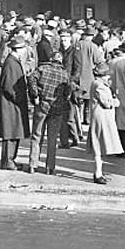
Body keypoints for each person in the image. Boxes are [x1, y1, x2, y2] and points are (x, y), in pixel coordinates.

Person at [28, 46, 73, 175]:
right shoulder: (64, 74)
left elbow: (31, 79)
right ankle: (50, 167)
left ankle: (32, 164)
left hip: (41, 105)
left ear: (51, 59)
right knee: (52, 139)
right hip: (56, 108)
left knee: (36, 136)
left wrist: (35, 95)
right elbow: (68, 92)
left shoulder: (42, 69)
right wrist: (63, 99)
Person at [0, 34, 32, 170]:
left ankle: (11, 159)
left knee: (14, 133)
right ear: (20, 49)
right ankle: (8, 161)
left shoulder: (12, 61)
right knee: (10, 133)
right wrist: (20, 99)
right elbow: (9, 87)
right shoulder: (11, 63)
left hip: (13, 104)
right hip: (11, 105)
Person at [88, 60, 122, 184]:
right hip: (102, 118)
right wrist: (115, 101)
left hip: (98, 116)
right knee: (99, 146)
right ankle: (98, 174)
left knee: (99, 146)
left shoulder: (95, 83)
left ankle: (99, 172)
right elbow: (106, 103)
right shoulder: (100, 86)